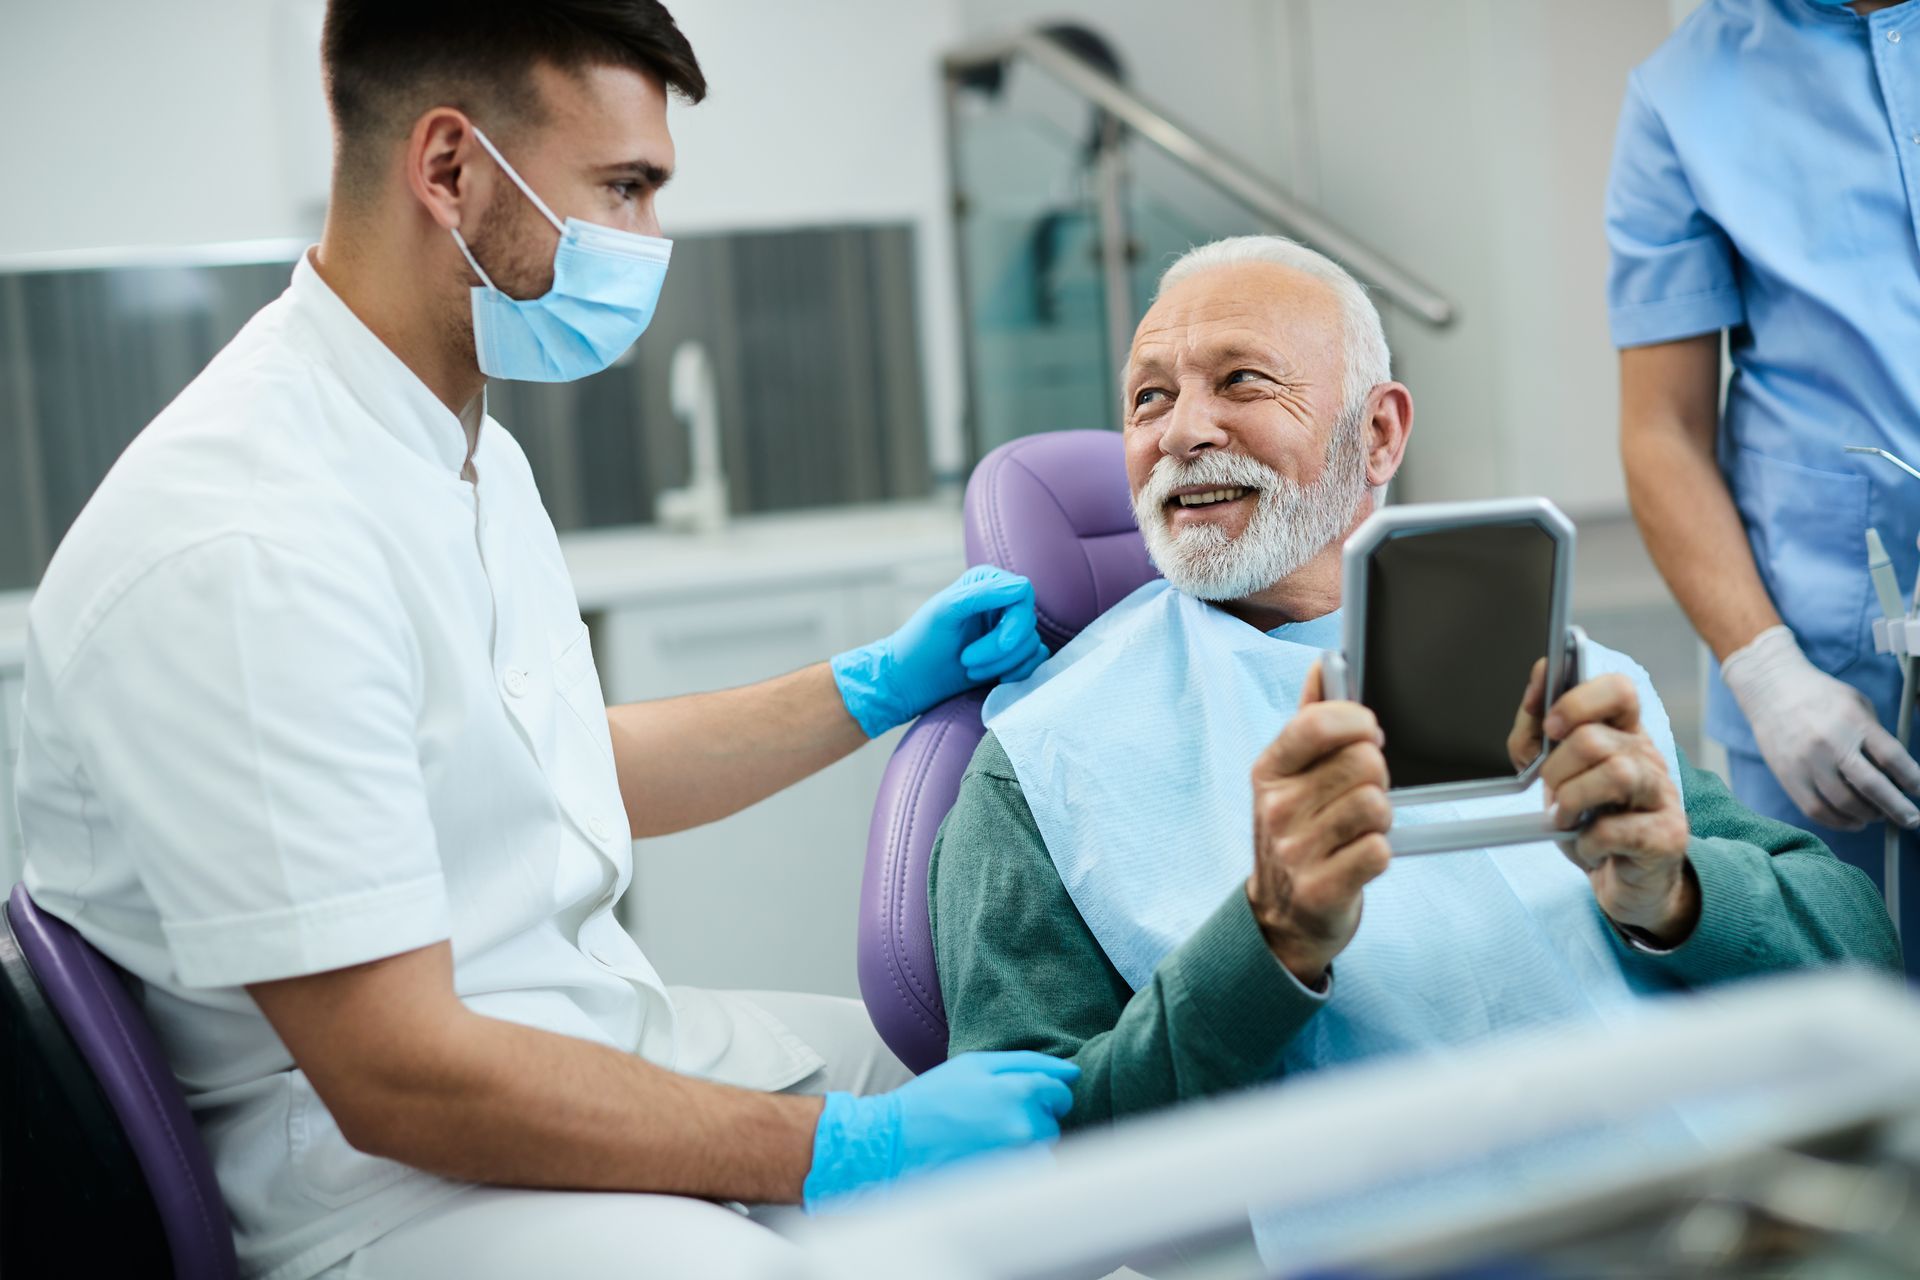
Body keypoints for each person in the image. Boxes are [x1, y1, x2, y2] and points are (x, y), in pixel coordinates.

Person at [13, 3, 1077, 1277]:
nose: (649, 243)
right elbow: (403, 1075)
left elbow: (549, 761)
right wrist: (829, 1149)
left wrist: (874, 688)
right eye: (623, 190)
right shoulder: (247, 542)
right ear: (450, 168)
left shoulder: (461, 448)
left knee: (1043, 1133)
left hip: (570, 1038)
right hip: (389, 1184)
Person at [930, 235, 1899, 1133]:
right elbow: (1024, 1160)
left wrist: (1677, 890)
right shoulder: (1045, 762)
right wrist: (1270, 940)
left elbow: (1861, 949)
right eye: (1147, 398)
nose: (1182, 431)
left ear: (1380, 432)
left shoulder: (1556, 670)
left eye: (1242, 380)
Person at [1608, 0, 1920, 960]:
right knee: (1829, 993)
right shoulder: (1685, 93)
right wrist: (1768, 673)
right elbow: (1662, 429)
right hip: (1822, 653)